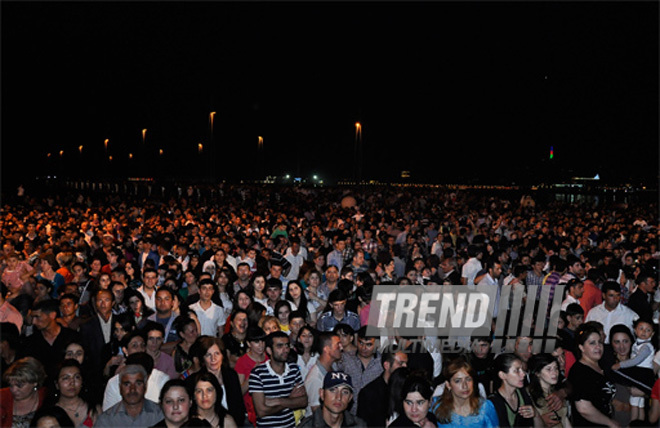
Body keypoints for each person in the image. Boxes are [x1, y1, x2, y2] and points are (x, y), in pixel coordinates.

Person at [249, 331, 307, 428]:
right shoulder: (258, 373)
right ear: (269, 350)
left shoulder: (293, 369)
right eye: (280, 346)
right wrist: (290, 400)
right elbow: (261, 411)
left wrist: (279, 401)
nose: (285, 350)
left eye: (287, 346)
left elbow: (303, 401)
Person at [567, 323, 619, 428]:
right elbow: (584, 408)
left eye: (600, 342)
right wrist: (610, 423)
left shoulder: (601, 366)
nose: (598, 346)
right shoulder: (579, 371)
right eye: (592, 343)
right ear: (581, 347)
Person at [190, 336, 246, 426]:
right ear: (203, 358)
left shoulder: (231, 375)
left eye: (217, 353)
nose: (213, 359)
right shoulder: (194, 380)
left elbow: (238, 406)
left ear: (223, 356)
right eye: (208, 355)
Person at [610, 318, 655, 422]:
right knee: (637, 403)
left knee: (638, 404)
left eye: (625, 341)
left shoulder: (645, 348)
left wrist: (620, 365)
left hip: (642, 376)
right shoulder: (608, 364)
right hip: (616, 419)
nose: (621, 346)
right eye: (617, 342)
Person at [431, 358, 498, 427]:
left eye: (468, 379)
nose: (465, 386)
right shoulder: (436, 406)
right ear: (448, 385)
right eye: (458, 381)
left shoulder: (485, 407)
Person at [24, 299, 80, 382]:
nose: (34, 322)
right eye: (32, 317)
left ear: (52, 315)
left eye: (38, 317)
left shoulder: (72, 337)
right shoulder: (31, 342)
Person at [95, 363, 164, 427]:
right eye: (127, 384)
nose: (132, 389)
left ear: (145, 386)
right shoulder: (106, 420)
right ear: (120, 388)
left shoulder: (161, 415)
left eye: (138, 384)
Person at [337, 326, 382, 414]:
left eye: (369, 344)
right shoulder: (345, 359)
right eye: (361, 343)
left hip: (374, 414)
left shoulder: (382, 363)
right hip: (349, 414)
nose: (364, 348)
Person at [357, 351, 409, 427]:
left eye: (406, 363)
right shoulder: (369, 393)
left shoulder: (408, 387)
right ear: (386, 365)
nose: (405, 366)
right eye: (400, 363)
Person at [298, 371, 367, 428]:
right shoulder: (307, 426)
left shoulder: (359, 425)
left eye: (345, 392)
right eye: (332, 390)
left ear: (350, 398)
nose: (339, 397)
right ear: (322, 394)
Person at [488, 353, 537, 427]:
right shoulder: (493, 403)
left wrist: (534, 414)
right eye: (517, 370)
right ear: (502, 375)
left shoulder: (523, 393)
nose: (523, 374)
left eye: (522, 370)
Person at [235, 327, 269, 427]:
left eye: (263, 341)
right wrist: (252, 375)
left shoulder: (269, 357)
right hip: (250, 411)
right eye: (257, 342)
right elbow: (239, 391)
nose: (261, 345)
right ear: (249, 344)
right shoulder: (242, 362)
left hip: (269, 407)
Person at [0, 357, 48, 428]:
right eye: (10, 385)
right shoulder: (2, 396)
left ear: (35, 382)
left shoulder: (47, 397)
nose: (14, 390)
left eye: (19, 385)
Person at [526, 354, 571, 428]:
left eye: (556, 368)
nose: (554, 373)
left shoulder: (556, 393)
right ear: (537, 373)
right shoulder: (528, 395)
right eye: (548, 369)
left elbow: (564, 420)